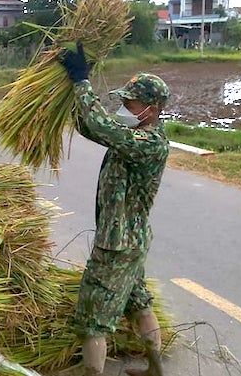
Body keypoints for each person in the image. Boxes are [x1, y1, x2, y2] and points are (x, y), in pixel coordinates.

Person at [60, 43, 169, 376]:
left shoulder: (150, 143)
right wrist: (68, 98)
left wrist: (82, 82)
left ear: (150, 109)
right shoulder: (135, 133)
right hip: (132, 240)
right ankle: (155, 368)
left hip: (117, 244)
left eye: (130, 101)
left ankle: (92, 372)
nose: (123, 105)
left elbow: (104, 128)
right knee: (138, 300)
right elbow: (94, 127)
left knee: (93, 318)